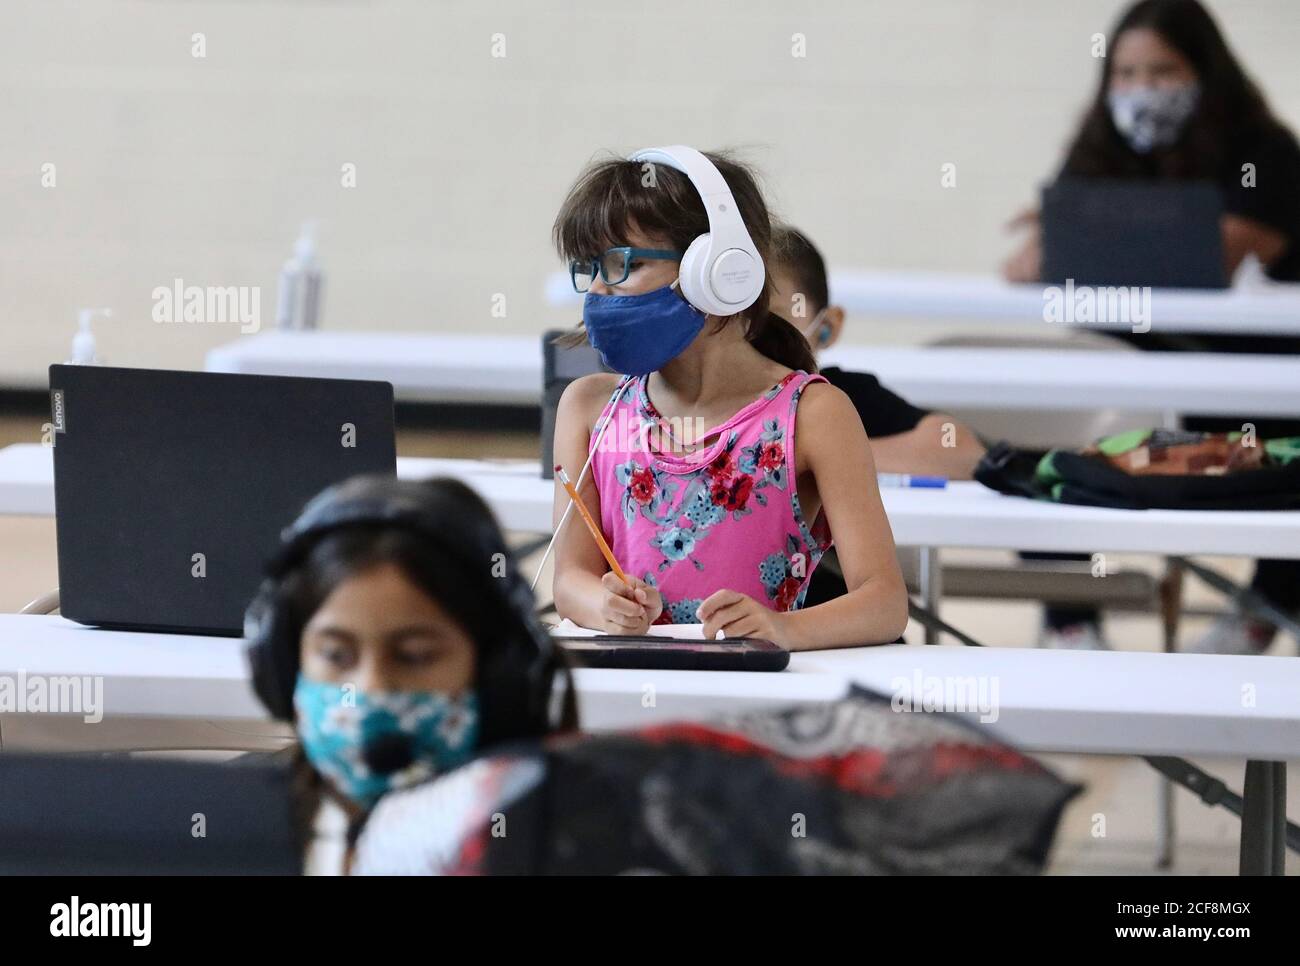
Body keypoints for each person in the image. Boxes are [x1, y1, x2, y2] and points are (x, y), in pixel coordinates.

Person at [1002, 0, 1300, 653]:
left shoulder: (1265, 153)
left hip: (1259, 377)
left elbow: (1219, 252)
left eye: (1163, 71)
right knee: (1039, 424)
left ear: (1206, 73)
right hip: (1135, 365)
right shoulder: (1099, 147)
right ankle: (1070, 619)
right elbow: (1028, 264)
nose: (1142, 90)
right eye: (1127, 73)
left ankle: (1262, 613)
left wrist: (1086, 236)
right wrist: (1079, 241)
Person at [549, 146, 908, 650]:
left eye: (619, 265)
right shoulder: (588, 409)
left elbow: (884, 604)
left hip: (757, 698)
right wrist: (605, 605)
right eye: (590, 269)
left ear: (715, 268)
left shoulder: (813, 415)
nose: (598, 296)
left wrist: (782, 628)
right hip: (630, 691)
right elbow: (568, 581)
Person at [244, 474, 576, 873]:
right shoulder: (229, 829)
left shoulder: (568, 846)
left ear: (497, 673)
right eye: (335, 654)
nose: (371, 688)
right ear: (286, 665)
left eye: (415, 656)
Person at [767, 225, 986, 479]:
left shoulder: (842, 398)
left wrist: (820, 453)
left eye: (775, 321)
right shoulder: (712, 404)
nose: (751, 336)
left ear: (827, 327)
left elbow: (963, 453)